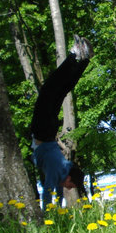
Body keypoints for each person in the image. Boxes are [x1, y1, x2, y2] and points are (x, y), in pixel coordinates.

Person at [31, 35, 92, 206]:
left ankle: (83, 59)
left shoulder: (61, 169)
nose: (69, 188)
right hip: (43, 130)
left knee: (60, 90)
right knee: (51, 88)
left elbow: (55, 190)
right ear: (69, 177)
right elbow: (48, 190)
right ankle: (75, 55)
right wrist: (48, 214)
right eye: (71, 185)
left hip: (47, 132)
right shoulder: (57, 169)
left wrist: (57, 209)